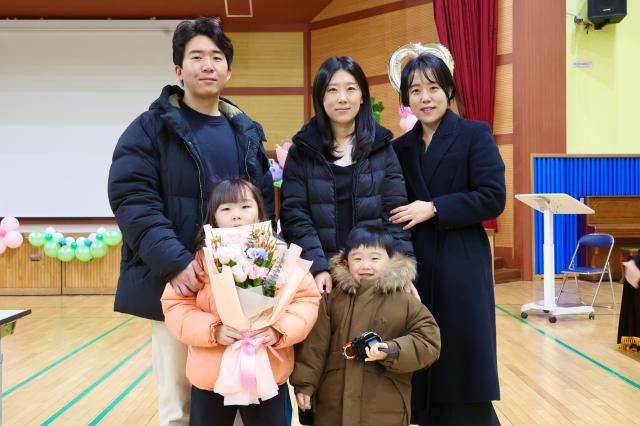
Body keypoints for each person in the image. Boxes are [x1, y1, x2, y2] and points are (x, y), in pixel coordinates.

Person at [107, 18, 274, 425]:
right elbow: (133, 200)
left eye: (217, 57)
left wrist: (265, 272)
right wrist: (176, 262)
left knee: (240, 396)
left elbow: (264, 204)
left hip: (242, 290)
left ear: (229, 70)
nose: (207, 65)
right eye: (196, 57)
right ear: (179, 70)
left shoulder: (246, 132)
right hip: (181, 290)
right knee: (180, 404)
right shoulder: (149, 130)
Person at [389, 53, 506, 425]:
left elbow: (493, 196)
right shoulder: (400, 149)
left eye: (434, 88)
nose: (426, 97)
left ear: (449, 89)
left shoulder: (474, 134)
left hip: (462, 264)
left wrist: (435, 207)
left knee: (463, 358)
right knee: (423, 359)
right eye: (416, 90)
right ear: (406, 99)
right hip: (417, 264)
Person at [161, 179, 320, 426]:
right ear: (213, 217)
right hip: (210, 376)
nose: (236, 216)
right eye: (226, 209)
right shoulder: (200, 260)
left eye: (245, 206)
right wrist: (213, 330)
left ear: (259, 210)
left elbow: (306, 300)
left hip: (266, 373)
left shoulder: (281, 255)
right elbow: (175, 305)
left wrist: (279, 331)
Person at [280, 56, 413, 295]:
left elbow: (395, 215)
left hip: (371, 274)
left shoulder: (381, 148)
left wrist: (399, 271)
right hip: (319, 278)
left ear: (362, 96)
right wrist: (318, 267)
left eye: (350, 89)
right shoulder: (302, 151)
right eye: (332, 90)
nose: (342, 98)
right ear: (321, 98)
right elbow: (295, 216)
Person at [291, 225, 440, 426]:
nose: (366, 265)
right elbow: (314, 347)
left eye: (375, 258)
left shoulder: (406, 301)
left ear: (391, 260)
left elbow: (428, 341)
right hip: (334, 404)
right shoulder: (332, 299)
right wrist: (305, 384)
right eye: (358, 258)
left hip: (385, 404)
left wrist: (391, 350)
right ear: (346, 261)